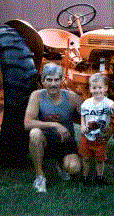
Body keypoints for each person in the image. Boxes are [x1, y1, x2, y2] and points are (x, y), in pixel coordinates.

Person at [24, 63, 82, 193]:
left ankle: (61, 165)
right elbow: (27, 123)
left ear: (62, 80)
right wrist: (55, 125)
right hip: (46, 141)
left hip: (66, 142)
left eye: (56, 80)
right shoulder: (37, 96)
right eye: (49, 80)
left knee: (75, 169)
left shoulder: (72, 97)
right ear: (43, 81)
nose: (53, 84)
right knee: (35, 133)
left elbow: (88, 114)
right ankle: (40, 176)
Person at [78, 73, 114, 186]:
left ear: (105, 88)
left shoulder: (107, 103)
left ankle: (100, 177)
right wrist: (83, 126)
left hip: (101, 137)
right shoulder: (86, 103)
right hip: (87, 136)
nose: (97, 90)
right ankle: (85, 177)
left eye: (100, 87)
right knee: (86, 158)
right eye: (94, 88)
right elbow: (83, 116)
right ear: (90, 88)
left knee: (100, 159)